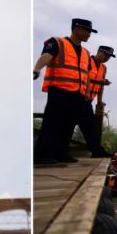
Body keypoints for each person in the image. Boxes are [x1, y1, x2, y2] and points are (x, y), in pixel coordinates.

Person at [33, 18, 96, 165]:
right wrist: (37, 68)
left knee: (69, 124)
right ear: (76, 29)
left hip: (78, 92)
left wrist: (86, 90)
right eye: (87, 31)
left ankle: (61, 152)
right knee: (52, 122)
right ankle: (42, 154)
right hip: (59, 89)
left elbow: (86, 73)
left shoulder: (86, 53)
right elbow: (46, 57)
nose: (89, 35)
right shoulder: (58, 42)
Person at [75, 45, 114, 158]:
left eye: (109, 57)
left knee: (89, 126)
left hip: (88, 100)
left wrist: (100, 101)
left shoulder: (104, 68)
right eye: (106, 55)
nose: (107, 58)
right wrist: (99, 82)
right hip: (78, 95)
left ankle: (96, 150)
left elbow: (101, 86)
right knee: (84, 125)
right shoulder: (87, 61)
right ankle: (97, 151)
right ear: (99, 52)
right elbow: (83, 76)